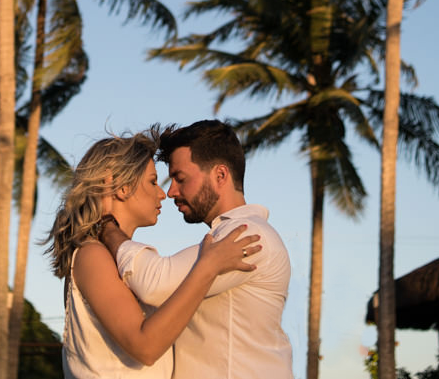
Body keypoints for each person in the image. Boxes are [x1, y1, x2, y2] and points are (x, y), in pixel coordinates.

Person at [44, 127, 262, 378]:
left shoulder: (118, 260)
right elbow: (145, 347)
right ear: (121, 186)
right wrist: (209, 266)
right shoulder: (92, 255)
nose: (163, 193)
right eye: (152, 181)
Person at [97, 120, 294, 379]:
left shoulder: (248, 236)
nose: (170, 191)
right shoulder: (222, 238)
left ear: (220, 175)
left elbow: (152, 283)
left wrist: (108, 228)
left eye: (180, 178)